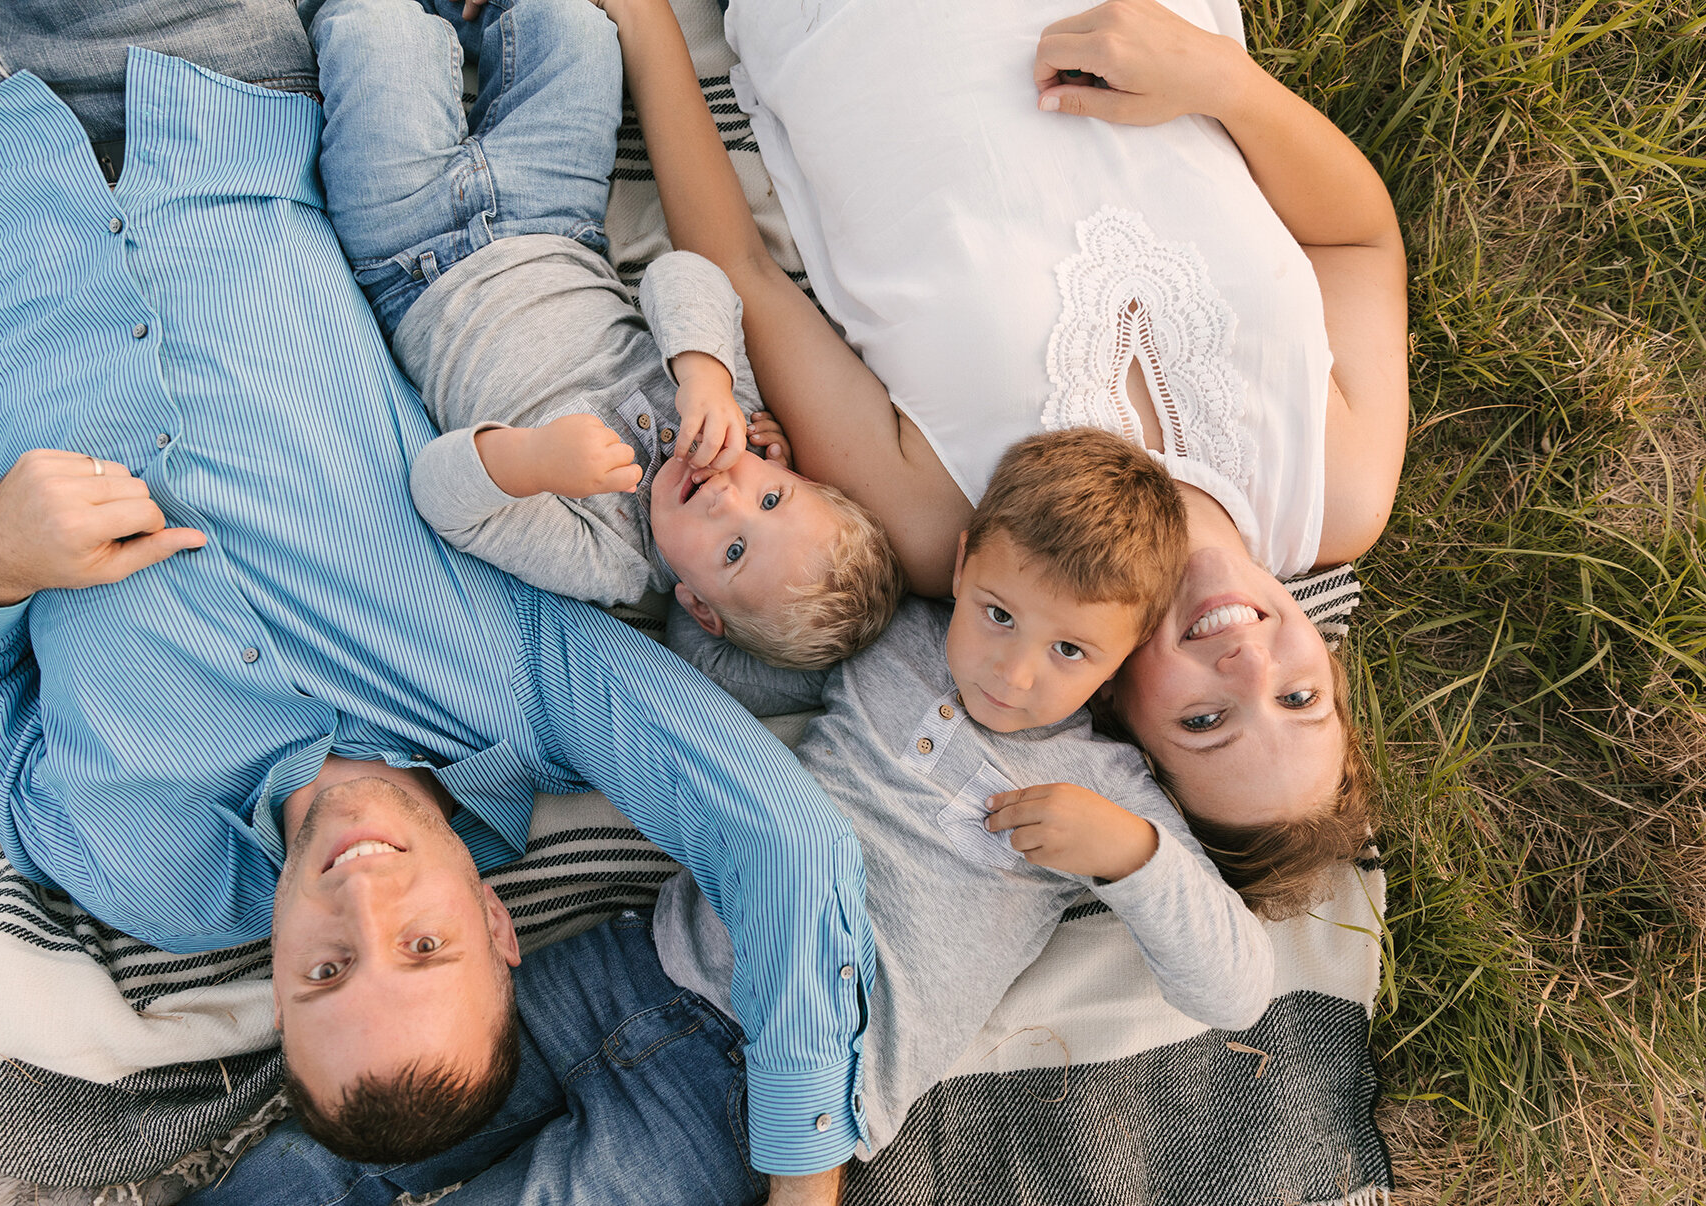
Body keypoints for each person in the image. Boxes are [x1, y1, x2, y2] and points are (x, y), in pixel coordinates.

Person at [0, 30, 868, 1193]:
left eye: (323, 973)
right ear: (499, 930)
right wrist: (808, 1175)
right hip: (192, 82)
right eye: (422, 946)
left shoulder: (140, 867)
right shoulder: (527, 688)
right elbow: (783, 842)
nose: (362, 895)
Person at [184, 425, 1277, 1206]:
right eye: (996, 614)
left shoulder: (1112, 796)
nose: (1015, 669)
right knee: (392, 1117)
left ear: (1125, 656)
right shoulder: (891, 642)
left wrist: (1129, 856)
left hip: (753, 1095)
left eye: (1071, 652)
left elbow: (1235, 986)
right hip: (646, 960)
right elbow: (717, 681)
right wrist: (729, 583)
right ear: (962, 570)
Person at [611, 0, 1404, 909]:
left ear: (1115, 713)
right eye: (1301, 699)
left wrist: (644, 21)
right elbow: (1357, 242)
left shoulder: (958, 525)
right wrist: (1223, 81)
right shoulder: (1335, 492)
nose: (1253, 669)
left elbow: (739, 271)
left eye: (1205, 721)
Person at [309, 0, 903, 669]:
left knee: (376, 30)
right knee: (576, 27)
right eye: (771, 497)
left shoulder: (607, 558)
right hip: (551, 215)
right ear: (785, 468)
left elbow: (442, 497)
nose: (726, 499)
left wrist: (531, 463)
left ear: (697, 606)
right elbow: (681, 272)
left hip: (408, 256)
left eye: (733, 551)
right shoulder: (726, 408)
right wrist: (701, 370)